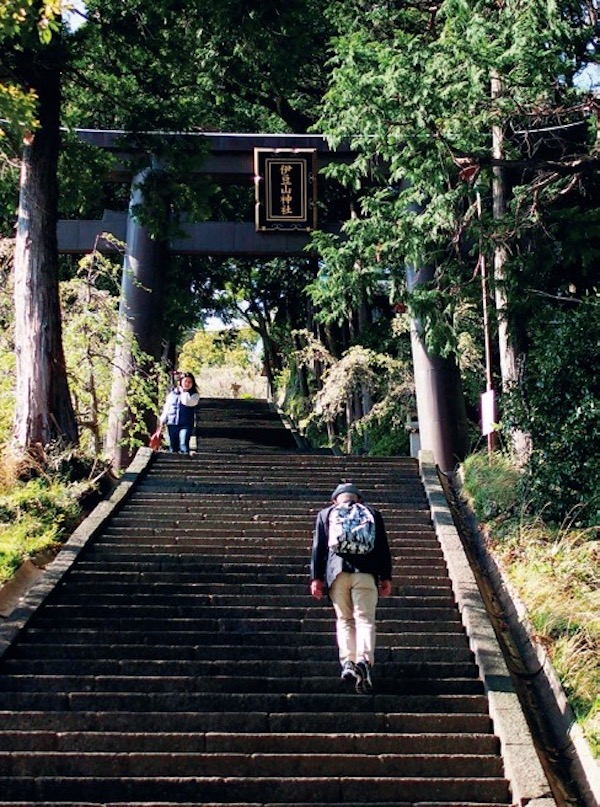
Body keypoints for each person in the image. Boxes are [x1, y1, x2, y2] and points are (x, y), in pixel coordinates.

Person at [310, 482, 392, 693]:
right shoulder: (372, 513)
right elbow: (382, 547)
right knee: (365, 620)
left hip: (337, 574)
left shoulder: (326, 514)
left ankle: (348, 662)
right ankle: (364, 660)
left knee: (345, 620)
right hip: (366, 574)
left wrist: (316, 578)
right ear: (359, 499)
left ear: (335, 500)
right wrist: (386, 577)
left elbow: (319, 548)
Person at [159, 371, 200, 454]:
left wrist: (183, 392)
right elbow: (167, 407)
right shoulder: (172, 394)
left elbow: (187, 402)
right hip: (172, 423)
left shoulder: (194, 395)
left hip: (186, 424)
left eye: (190, 382)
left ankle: (185, 464)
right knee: (173, 446)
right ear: (180, 382)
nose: (187, 384)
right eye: (185, 381)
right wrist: (163, 419)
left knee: (183, 444)